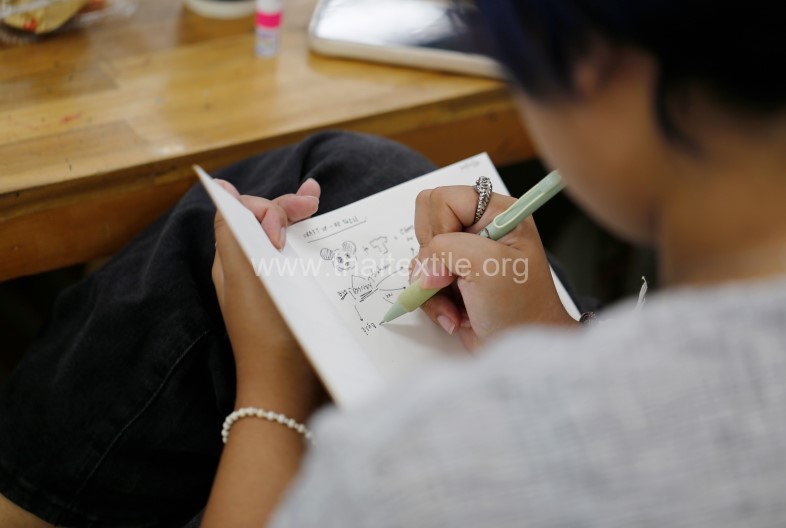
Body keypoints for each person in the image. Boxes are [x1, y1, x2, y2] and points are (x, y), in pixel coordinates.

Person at [2, 0, 785, 526]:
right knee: (352, 170)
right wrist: (547, 335)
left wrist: (274, 381)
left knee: (220, 242)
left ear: (591, 65)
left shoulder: (410, 470)